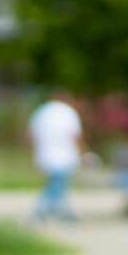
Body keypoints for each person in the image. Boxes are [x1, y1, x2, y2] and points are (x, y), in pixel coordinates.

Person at [27, 92, 83, 223]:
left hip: (45, 155)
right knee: (58, 184)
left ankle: (56, 211)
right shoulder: (68, 112)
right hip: (65, 155)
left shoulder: (41, 112)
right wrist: (82, 153)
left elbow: (32, 135)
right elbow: (75, 136)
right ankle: (43, 211)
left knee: (55, 183)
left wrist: (33, 155)